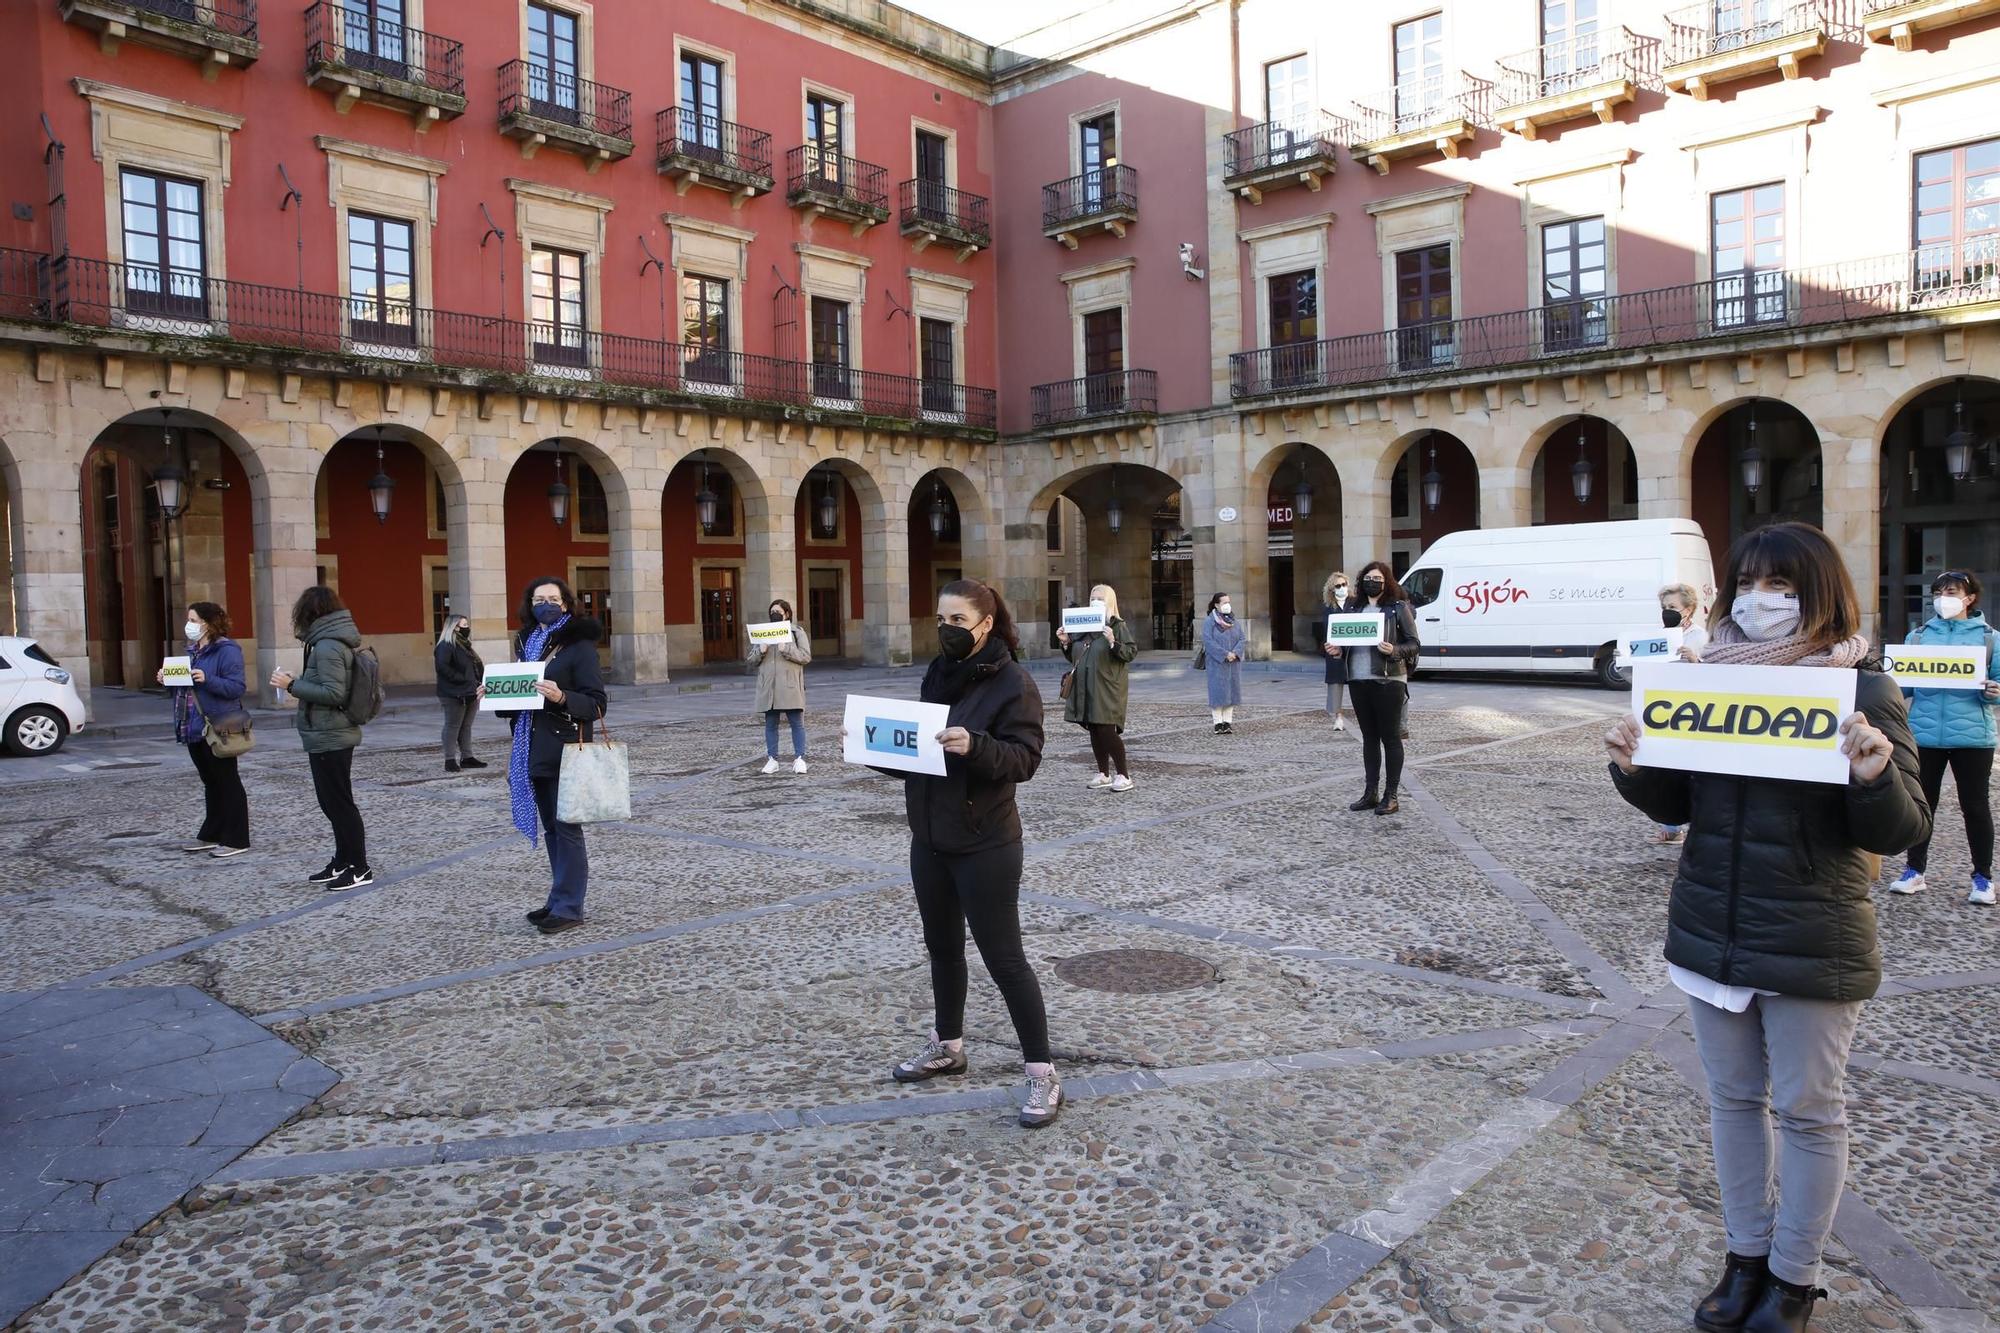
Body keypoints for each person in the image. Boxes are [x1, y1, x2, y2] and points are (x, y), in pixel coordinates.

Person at [1604, 522, 1930, 1333]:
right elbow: (1680, 805)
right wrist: (1632, 768)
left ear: (1818, 593)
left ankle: (1794, 1278)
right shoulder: (1702, 678)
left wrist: (1873, 774)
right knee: (1732, 1102)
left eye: (1782, 586)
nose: (1761, 600)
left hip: (1812, 933)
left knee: (1811, 1110)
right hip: (1710, 924)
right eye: (1749, 582)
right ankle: (1745, 1259)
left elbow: (1903, 828)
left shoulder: (1865, 688)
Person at [869, 579, 1060, 1129]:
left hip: (986, 843)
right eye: (941, 619)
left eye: (958, 621)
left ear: (985, 624)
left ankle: (1042, 1072)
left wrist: (977, 746)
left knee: (1004, 960)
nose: (947, 630)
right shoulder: (937, 672)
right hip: (929, 837)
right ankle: (948, 1045)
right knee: (943, 949)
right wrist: (872, 748)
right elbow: (923, 751)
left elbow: (1024, 759)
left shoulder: (1014, 683)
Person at [497, 577, 607, 936]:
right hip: (532, 749)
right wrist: (494, 694)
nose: (545, 603)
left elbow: (596, 704)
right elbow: (517, 704)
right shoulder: (527, 643)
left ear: (566, 603)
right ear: (529, 604)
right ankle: (558, 898)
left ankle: (569, 906)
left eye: (552, 598)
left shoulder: (580, 646)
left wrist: (562, 697)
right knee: (552, 830)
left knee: (567, 830)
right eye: (538, 598)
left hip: (565, 750)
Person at [1890, 569, 2000, 905]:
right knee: (1923, 805)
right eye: (1938, 591)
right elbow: (1902, 687)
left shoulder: (1990, 639)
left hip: (1973, 737)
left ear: (1970, 598)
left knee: (1976, 807)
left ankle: (1983, 878)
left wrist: (1994, 692)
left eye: (1951, 591)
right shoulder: (1918, 638)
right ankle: (1914, 871)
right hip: (1923, 735)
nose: (1944, 598)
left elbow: (1998, 684)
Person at [270, 587, 370, 890]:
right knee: (330, 802)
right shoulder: (324, 644)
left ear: (310, 613)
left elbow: (333, 693)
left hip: (332, 734)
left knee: (339, 803)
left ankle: (360, 867)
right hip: (325, 732)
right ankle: (342, 860)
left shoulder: (327, 646)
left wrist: (292, 685)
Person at [161, 601, 250, 859]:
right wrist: (167, 680)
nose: (190, 625)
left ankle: (237, 838)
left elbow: (236, 688)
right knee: (210, 782)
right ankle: (212, 834)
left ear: (209, 623)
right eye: (189, 620)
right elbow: (182, 688)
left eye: (194, 620)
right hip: (192, 724)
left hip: (217, 726)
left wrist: (207, 679)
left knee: (227, 781)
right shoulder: (191, 651)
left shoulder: (227, 650)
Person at [1338, 562, 1420, 816]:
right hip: (1358, 680)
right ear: (1361, 581)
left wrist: (1394, 650)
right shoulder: (1353, 607)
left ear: (1386, 582)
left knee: (1391, 738)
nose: (1372, 582)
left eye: (1377, 578)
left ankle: (1391, 795)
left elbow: (1414, 644)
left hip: (1389, 680)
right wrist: (1336, 649)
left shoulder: (1397, 608)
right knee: (1369, 738)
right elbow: (1345, 642)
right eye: (1367, 577)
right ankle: (1370, 792)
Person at [1059, 582, 1138, 791]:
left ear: (1109, 601)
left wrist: (1113, 642)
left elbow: (1130, 653)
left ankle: (1124, 775)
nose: (1096, 600)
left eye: (1100, 598)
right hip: (1086, 684)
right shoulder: (1082, 627)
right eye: (1093, 596)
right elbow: (1075, 657)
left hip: (1107, 685)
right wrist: (1066, 643)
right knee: (1094, 728)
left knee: (1106, 729)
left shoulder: (1117, 626)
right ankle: (1103, 773)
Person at [1651, 582, 1712, 845]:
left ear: (1688, 610)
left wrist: (1695, 661)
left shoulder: (1700, 637)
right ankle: (1672, 826)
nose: (1667, 612)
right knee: (1665, 767)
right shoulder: (1661, 635)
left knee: (1690, 770)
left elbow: (1716, 675)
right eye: (1664, 607)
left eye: (1673, 607)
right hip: (1665, 709)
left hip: (1692, 712)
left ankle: (1692, 826)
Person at [750, 597, 812, 775]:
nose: (775, 615)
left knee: (796, 723)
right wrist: (760, 651)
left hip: (790, 685)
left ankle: (800, 758)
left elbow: (806, 656)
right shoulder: (762, 633)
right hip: (769, 687)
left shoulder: (796, 632)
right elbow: (751, 660)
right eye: (772, 613)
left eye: (778, 612)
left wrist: (787, 649)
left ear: (787, 614)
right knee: (770, 724)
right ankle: (772, 759)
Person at [434, 614, 487, 773]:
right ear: (454, 627)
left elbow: (474, 666)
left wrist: (476, 681)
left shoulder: (465, 645)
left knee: (466, 726)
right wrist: (462, 679)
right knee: (452, 725)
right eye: (464, 625)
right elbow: (443, 668)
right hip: (453, 693)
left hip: (470, 691)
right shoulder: (445, 645)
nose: (467, 628)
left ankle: (467, 757)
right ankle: (449, 759)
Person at [1202, 592, 1245, 734]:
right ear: (1216, 605)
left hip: (1233, 663)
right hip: (1217, 663)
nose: (1227, 605)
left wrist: (1235, 653)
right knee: (1218, 692)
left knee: (1231, 693)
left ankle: (1227, 722)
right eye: (1224, 602)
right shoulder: (1210, 621)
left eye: (1228, 602)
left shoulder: (1233, 620)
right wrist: (1224, 654)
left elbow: (1242, 639)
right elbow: (1208, 641)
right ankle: (1217, 723)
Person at [1317, 571, 1351, 732]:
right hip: (1334, 649)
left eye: (1344, 585)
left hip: (1353, 650)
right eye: (1338, 586)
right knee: (1336, 684)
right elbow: (1326, 629)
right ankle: (1338, 717)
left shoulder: (1355, 604)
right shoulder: (1328, 607)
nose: (1342, 588)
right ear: (1332, 589)